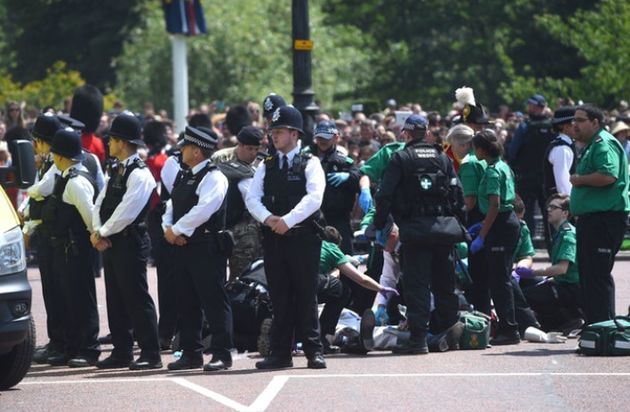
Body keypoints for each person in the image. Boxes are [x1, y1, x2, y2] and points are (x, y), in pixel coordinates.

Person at [374, 113, 465, 354]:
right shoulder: (442, 157)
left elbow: (385, 195)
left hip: (414, 231)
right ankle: (449, 334)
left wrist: (379, 224)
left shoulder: (401, 158)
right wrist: (459, 221)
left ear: (405, 133)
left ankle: (418, 340)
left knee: (417, 286)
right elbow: (457, 193)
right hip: (443, 229)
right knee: (445, 284)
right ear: (425, 132)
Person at [245, 105, 327, 369]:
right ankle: (280, 353)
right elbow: (252, 198)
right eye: (273, 131)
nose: (274, 136)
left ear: (294, 134)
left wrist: (288, 221)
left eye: (279, 131)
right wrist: (269, 220)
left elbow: (314, 197)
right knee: (279, 296)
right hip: (274, 239)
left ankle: (314, 350)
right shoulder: (266, 165)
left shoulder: (311, 163)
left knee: (306, 294)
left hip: (303, 239)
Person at [91, 113, 162, 370]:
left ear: (122, 142)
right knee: (115, 298)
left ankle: (151, 352)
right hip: (112, 240)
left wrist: (102, 232)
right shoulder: (115, 168)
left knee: (136, 297)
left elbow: (127, 211)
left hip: (129, 241)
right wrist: (97, 229)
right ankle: (122, 351)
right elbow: (100, 201)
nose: (108, 143)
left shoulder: (140, 174)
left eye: (111, 139)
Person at [163, 126, 234, 372]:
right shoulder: (184, 175)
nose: (180, 150)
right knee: (186, 301)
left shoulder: (214, 177)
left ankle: (222, 353)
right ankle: (191, 352)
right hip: (183, 245)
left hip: (206, 246)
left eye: (184, 147)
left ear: (196, 151)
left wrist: (178, 230)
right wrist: (169, 229)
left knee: (214, 301)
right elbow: (170, 205)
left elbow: (204, 210)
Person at [41, 128, 100, 367]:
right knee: (68, 300)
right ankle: (72, 346)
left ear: (62, 156)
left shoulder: (77, 182)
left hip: (76, 250)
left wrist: (97, 237)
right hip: (64, 250)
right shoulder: (66, 176)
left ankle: (88, 348)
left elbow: (90, 217)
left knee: (81, 300)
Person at [570, 104, 629, 324]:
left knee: (597, 275)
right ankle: (595, 329)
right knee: (589, 275)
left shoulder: (603, 144)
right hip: (593, 219)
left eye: (580, 120)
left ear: (595, 122)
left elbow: (608, 175)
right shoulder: (592, 145)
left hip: (604, 220)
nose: (574, 124)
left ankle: (604, 328)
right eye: (574, 120)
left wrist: (579, 180)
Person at [468, 129, 520, 345]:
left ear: (481, 149)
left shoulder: (491, 171)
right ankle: (508, 326)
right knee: (502, 278)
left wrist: (482, 234)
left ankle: (509, 329)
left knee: (499, 281)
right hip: (506, 221)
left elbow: (495, 204)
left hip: (499, 225)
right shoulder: (503, 166)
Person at [24, 114, 65, 364]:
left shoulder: (55, 163)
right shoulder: (48, 161)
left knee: (58, 293)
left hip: (56, 235)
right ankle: (56, 341)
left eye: (36, 141)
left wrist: (27, 193)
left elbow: (42, 189)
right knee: (51, 292)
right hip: (46, 233)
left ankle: (62, 343)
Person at [516, 194, 584, 333]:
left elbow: (562, 269)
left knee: (526, 295)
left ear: (565, 213)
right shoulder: (559, 233)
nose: (548, 210)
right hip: (565, 284)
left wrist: (533, 272)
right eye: (548, 207)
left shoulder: (568, 236)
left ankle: (569, 319)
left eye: (553, 207)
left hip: (571, 289)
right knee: (527, 287)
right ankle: (554, 322)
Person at [213, 126, 264, 279]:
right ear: (239, 145)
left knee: (245, 274)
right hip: (221, 221)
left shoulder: (261, 161)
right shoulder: (221, 158)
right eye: (249, 149)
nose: (253, 154)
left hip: (247, 225)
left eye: (256, 149)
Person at [304, 120, 360, 254]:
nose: (322, 141)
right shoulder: (304, 157)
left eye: (326, 138)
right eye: (319, 137)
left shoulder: (343, 161)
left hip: (339, 217)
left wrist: (349, 177)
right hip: (311, 217)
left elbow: (359, 177)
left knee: (344, 255)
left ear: (336, 138)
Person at [507, 94, 554, 245]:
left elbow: (513, 151)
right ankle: (551, 245)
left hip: (526, 177)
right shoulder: (552, 126)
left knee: (525, 212)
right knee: (549, 211)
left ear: (536, 106)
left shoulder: (525, 126)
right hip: (547, 177)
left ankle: (526, 245)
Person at [543, 106, 576, 198]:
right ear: (565, 126)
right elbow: (563, 184)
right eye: (574, 122)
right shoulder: (562, 148)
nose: (578, 126)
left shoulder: (568, 145)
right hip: (561, 206)